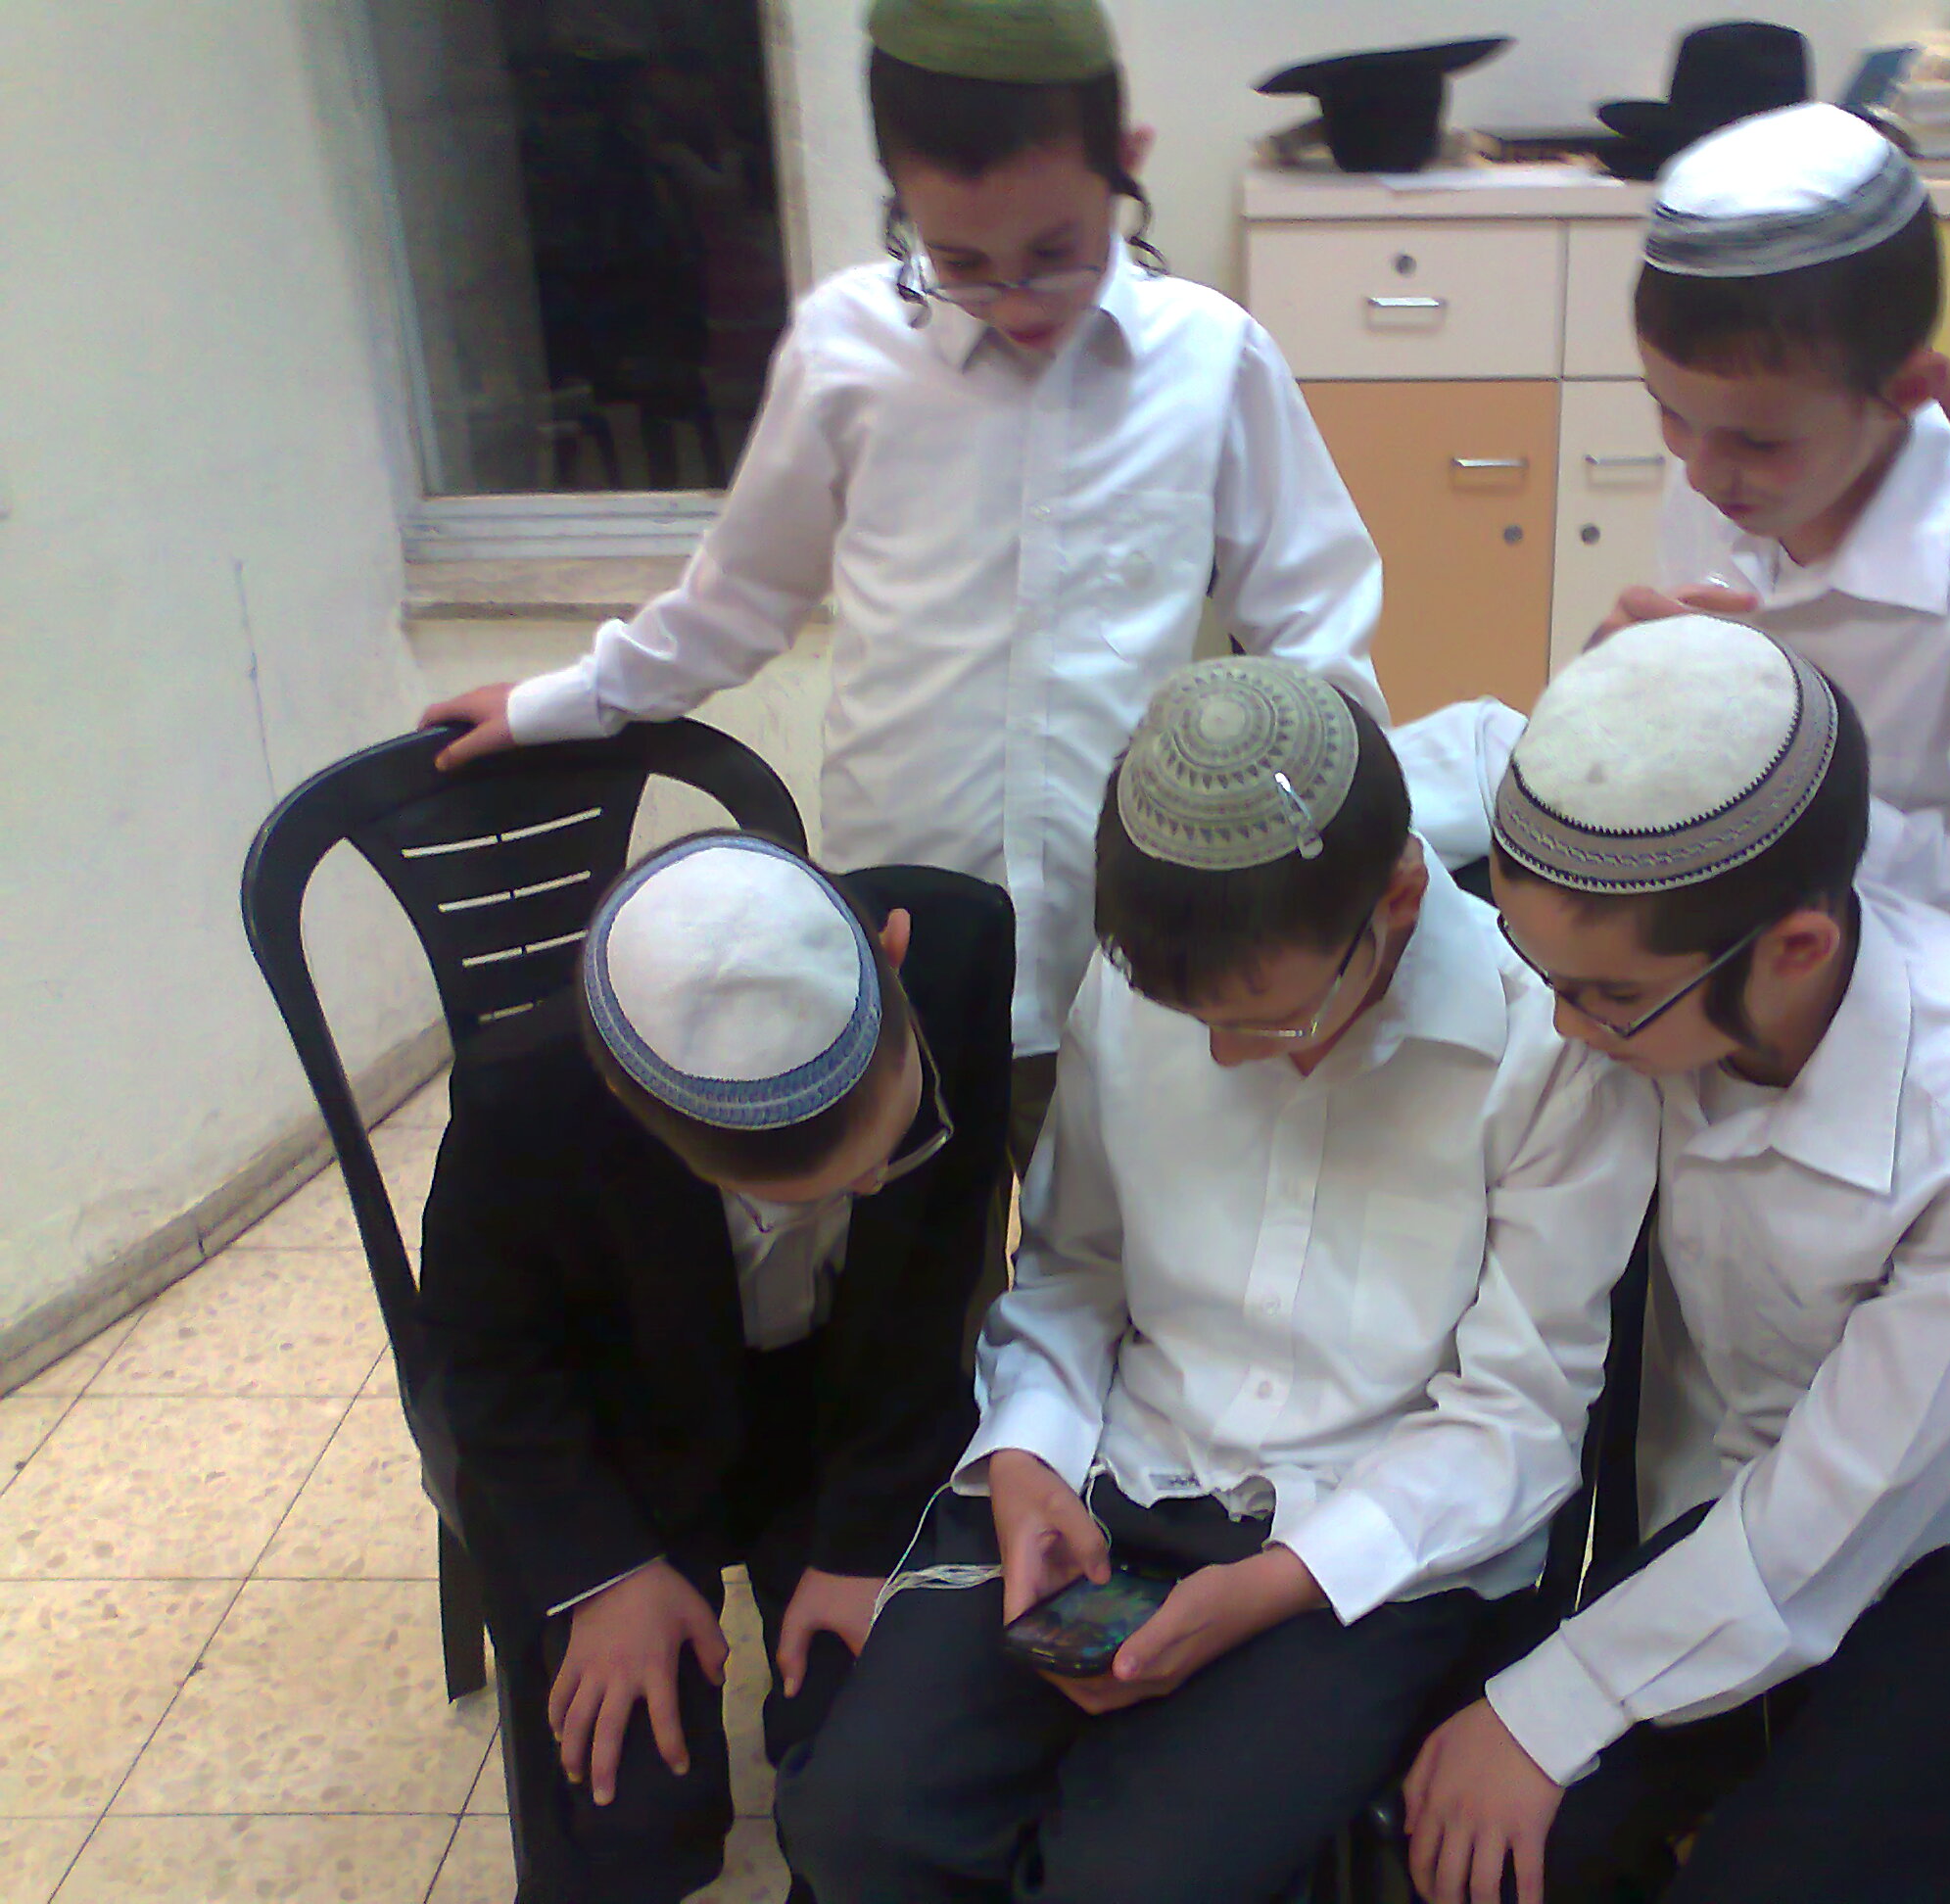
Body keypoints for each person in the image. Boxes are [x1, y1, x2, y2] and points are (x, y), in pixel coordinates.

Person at [419, 0, 1384, 1176]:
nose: (1017, 304)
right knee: (913, 1255)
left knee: (1133, 1247)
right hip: (899, 941)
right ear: (900, 198)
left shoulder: (1212, 359)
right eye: (963, 264)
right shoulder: (845, 350)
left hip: (1130, 946)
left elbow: (1313, 624)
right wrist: (564, 701)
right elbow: (738, 600)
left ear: (1125, 165)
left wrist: (1344, 859)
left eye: (1057, 251)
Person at [776, 658, 1655, 1904]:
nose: (1231, 1059)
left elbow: (1518, 1415)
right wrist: (1026, 1466)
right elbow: (1073, 1270)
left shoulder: (1543, 1051)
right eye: (1196, 1024)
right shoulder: (1146, 981)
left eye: (1274, 1021)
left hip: (1368, 1543)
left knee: (1131, 1882)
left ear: (1400, 901)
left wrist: (1268, 1590)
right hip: (1119, 1470)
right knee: (858, 1826)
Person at [1403, 619, 1950, 1904]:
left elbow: (1850, 1499)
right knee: (1496, 1850)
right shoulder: (1645, 992)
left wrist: (1554, 1703)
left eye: (1605, 996)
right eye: (1543, 975)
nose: (1564, 1026)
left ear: (1798, 948)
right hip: (1757, 1483)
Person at [411, 833, 1012, 1903]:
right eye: (804, 1194)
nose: (874, 1186)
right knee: (624, 1801)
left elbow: (936, 1289)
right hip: (631, 1428)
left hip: (853, 1410)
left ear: (892, 951)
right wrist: (605, 1573)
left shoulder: (955, 956)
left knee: (883, 1768)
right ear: (628, 1101)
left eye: (894, 1143)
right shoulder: (525, 1098)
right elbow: (488, 1368)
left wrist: (863, 1540)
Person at [1396, 102, 1950, 955]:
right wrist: (1618, 690)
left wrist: (1795, 805)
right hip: (1715, 960)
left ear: (1907, 391)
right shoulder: (1732, 485)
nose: (1703, 472)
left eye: (1759, 442)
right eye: (1671, 414)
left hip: (1897, 989)